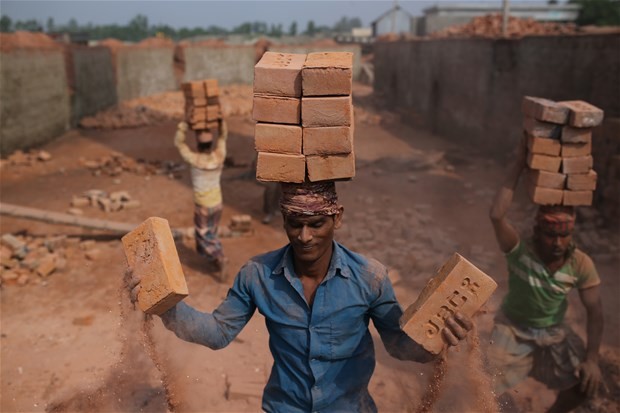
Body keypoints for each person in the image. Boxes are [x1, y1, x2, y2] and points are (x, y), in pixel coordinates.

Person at [128, 181, 473, 413]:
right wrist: (164, 304)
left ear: (337, 218)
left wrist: (439, 339)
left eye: (316, 223)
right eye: (294, 223)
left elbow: (398, 344)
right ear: (283, 220)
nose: (304, 236)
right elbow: (218, 333)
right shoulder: (257, 275)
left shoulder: (370, 278)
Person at [488, 138, 604, 413]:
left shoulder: (579, 263)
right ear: (537, 232)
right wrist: (519, 163)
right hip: (512, 329)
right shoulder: (520, 250)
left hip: (553, 333)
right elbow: (496, 215)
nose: (557, 243)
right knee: (486, 384)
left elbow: (595, 312)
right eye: (551, 235)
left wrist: (593, 359)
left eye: (564, 236)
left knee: (586, 383)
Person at [174, 120, 228, 279]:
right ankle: (214, 260)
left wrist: (183, 125)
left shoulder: (194, 159)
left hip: (203, 205)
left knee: (203, 235)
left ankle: (219, 257)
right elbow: (223, 137)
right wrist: (221, 123)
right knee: (212, 232)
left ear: (198, 146)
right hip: (217, 202)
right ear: (211, 144)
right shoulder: (219, 155)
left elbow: (179, 143)